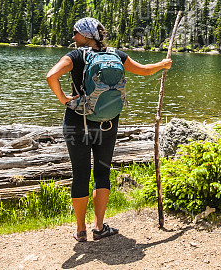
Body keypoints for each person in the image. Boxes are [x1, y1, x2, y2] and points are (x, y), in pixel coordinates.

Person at [46, 17, 171, 242]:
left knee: (81, 174)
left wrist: (64, 99)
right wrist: (162, 65)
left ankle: (81, 230)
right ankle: (100, 227)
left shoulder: (76, 55)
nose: (73, 37)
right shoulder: (115, 54)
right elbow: (143, 71)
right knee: (102, 173)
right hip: (108, 124)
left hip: (77, 122)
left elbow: (51, 76)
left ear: (85, 35)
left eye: (75, 32)